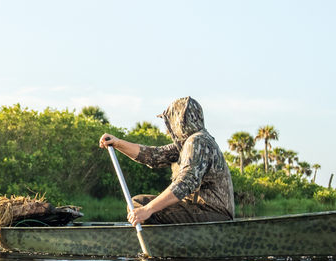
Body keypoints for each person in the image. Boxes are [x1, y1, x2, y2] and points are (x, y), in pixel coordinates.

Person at [98, 96, 234, 225]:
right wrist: (118, 143)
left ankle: (162, 244)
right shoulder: (188, 143)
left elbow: (185, 183)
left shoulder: (196, 141)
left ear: (178, 122)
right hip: (203, 210)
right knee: (139, 202)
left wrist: (148, 210)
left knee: (140, 205)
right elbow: (153, 156)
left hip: (213, 213)